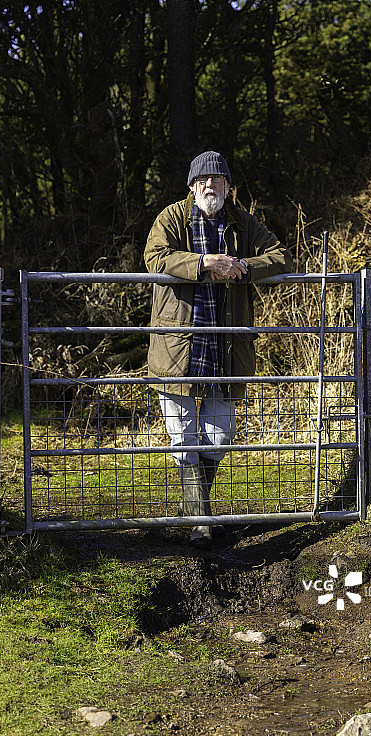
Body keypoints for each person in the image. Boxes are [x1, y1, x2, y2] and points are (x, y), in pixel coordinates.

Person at [144, 151, 292, 547]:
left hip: (226, 348)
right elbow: (155, 257)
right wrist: (205, 263)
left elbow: (280, 255)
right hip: (178, 347)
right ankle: (202, 521)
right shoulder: (171, 218)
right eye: (204, 179)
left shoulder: (242, 223)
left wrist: (243, 267)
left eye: (218, 179)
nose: (211, 185)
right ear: (192, 186)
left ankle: (195, 508)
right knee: (182, 436)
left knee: (220, 435)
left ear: (228, 186)